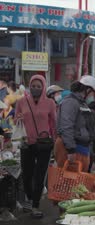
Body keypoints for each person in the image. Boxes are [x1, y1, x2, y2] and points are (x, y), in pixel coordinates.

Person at [14, 74, 56, 217]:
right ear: (29, 86)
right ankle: (30, 199)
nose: (35, 88)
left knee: (39, 175)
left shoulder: (50, 103)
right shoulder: (21, 102)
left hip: (44, 143)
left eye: (38, 86)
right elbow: (16, 121)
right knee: (26, 175)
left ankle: (35, 205)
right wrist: (18, 118)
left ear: (43, 87)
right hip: (26, 143)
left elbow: (54, 123)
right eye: (33, 86)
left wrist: (55, 141)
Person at [55, 76, 95, 171]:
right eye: (93, 93)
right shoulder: (70, 102)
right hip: (69, 151)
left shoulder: (82, 104)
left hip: (82, 150)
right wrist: (71, 150)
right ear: (87, 89)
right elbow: (66, 126)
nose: (93, 97)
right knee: (68, 182)